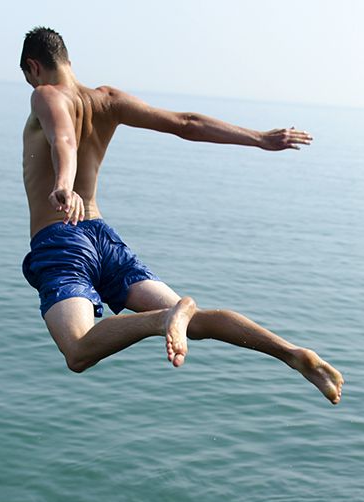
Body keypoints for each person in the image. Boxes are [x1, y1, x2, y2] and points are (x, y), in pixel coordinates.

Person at [20, 26, 343, 404]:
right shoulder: (106, 100)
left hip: (62, 238)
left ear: (33, 67)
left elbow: (64, 139)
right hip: (103, 237)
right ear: (70, 62)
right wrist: (259, 138)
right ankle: (291, 353)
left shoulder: (45, 95)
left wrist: (63, 183)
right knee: (198, 321)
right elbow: (185, 123)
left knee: (77, 350)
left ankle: (163, 319)